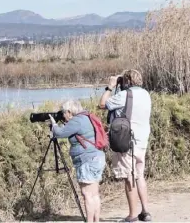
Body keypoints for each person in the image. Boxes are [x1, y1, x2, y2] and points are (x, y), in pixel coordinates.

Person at [98, 69, 152, 222]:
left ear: (127, 81)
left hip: (127, 141)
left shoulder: (125, 95)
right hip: (142, 141)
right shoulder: (145, 94)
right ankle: (145, 212)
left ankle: (132, 215)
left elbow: (102, 104)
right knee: (139, 175)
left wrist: (110, 86)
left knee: (129, 177)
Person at [49, 99, 106, 223]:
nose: (63, 116)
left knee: (87, 194)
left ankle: (89, 221)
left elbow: (60, 133)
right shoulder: (86, 117)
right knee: (94, 194)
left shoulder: (76, 121)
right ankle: (96, 221)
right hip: (97, 157)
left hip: (87, 160)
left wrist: (53, 124)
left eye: (64, 113)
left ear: (69, 112)